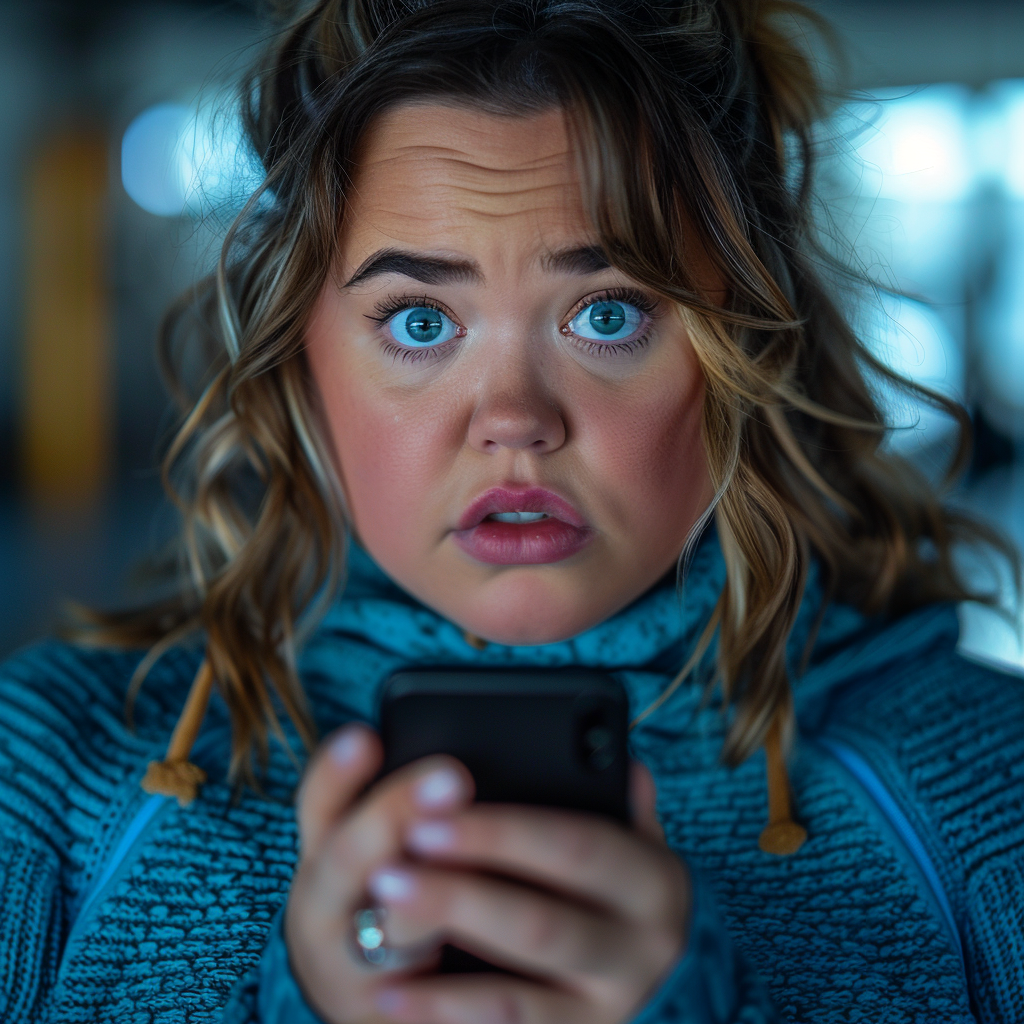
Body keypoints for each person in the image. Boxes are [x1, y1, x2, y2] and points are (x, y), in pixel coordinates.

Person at [2, 0, 1022, 1021]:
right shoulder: (41, 780)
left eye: (606, 314)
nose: (514, 422)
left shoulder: (991, 789)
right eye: (418, 319)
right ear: (298, 362)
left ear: (746, 351)